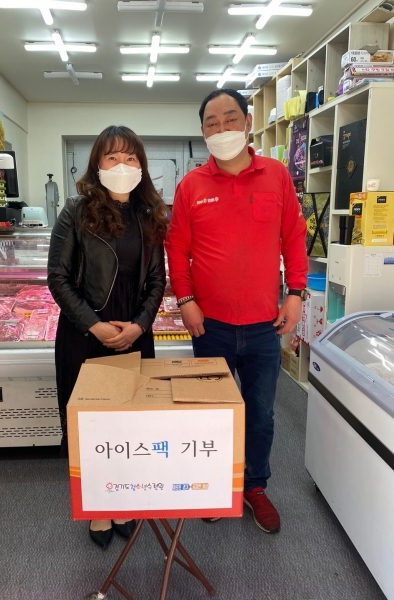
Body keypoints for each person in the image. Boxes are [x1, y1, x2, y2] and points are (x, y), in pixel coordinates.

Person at [165, 89, 308, 534]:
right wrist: (185, 300)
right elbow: (176, 247)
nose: (222, 128)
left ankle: (254, 486)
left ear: (247, 122)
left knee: (260, 415)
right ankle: (213, 485)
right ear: (202, 131)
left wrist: (296, 293)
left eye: (230, 118)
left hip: (265, 325)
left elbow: (294, 236)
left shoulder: (276, 175)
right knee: (211, 414)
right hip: (211, 326)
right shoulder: (191, 186)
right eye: (212, 122)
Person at [48, 125, 167, 549]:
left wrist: (139, 325)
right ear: (97, 164)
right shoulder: (76, 212)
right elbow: (58, 278)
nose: (122, 165)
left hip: (134, 334)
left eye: (131, 158)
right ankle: (97, 508)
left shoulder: (149, 215)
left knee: (128, 427)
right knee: (91, 427)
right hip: (86, 334)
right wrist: (94, 324)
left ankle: (122, 499)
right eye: (112, 157)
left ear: (142, 166)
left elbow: (157, 281)